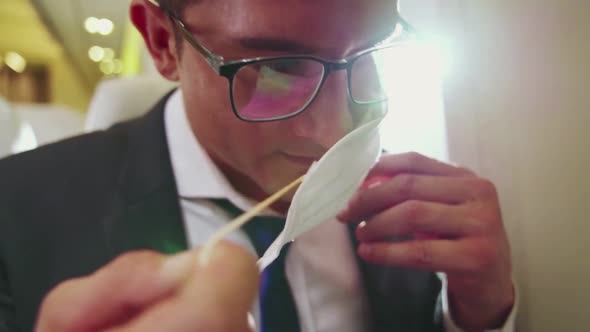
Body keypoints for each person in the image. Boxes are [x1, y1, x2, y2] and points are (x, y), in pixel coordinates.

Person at [0, 0, 516, 331]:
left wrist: (474, 315)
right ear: (162, 42)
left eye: (373, 52)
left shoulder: (400, 203)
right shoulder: (16, 215)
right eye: (277, 67)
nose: (336, 128)